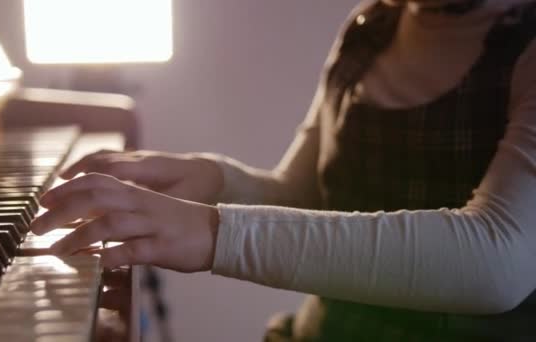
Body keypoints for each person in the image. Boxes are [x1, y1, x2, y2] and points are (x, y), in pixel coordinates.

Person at [30, 0, 536, 340]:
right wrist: (217, 181)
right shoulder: (371, 29)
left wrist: (214, 231)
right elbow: (308, 193)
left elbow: (496, 263)